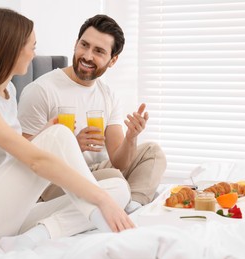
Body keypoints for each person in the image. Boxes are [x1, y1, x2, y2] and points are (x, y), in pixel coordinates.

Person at [0, 8, 134, 251]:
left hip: (4, 210)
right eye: (32, 46)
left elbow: (11, 156)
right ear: (11, 49)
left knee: (118, 190)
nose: (33, 54)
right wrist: (99, 198)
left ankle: (34, 237)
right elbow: (35, 161)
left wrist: (46, 134)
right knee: (96, 188)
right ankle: (109, 227)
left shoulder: (8, 93)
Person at [17, 14, 167, 212]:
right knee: (115, 180)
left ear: (112, 60)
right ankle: (120, 199)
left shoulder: (108, 95)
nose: (87, 56)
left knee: (153, 153)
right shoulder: (41, 90)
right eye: (84, 45)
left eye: (98, 51)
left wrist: (131, 137)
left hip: (95, 172)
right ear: (75, 44)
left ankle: (133, 206)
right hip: (54, 179)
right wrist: (72, 146)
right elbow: (24, 159)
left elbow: (119, 162)